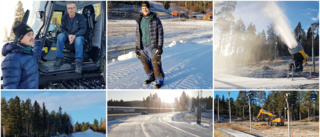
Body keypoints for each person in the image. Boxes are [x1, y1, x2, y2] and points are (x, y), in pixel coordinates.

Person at [1, 23, 42, 89]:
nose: (32, 37)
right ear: (20, 38)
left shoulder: (28, 52)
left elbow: (37, 54)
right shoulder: (12, 58)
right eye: (29, 35)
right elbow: (10, 88)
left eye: (32, 35)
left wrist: (37, 42)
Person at [135, 1, 165, 89]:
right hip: (142, 46)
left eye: (146, 8)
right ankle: (151, 77)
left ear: (149, 8)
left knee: (156, 64)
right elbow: (137, 35)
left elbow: (160, 34)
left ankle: (159, 80)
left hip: (153, 46)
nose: (144, 10)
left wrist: (160, 47)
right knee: (145, 64)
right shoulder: (139, 20)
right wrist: (137, 47)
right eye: (143, 8)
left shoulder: (155, 20)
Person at [54, 2, 87, 73]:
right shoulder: (64, 18)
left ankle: (78, 62)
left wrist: (75, 35)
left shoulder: (80, 17)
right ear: (67, 9)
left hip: (78, 35)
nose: (70, 10)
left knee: (78, 40)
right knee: (60, 36)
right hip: (67, 35)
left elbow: (83, 29)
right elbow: (62, 29)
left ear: (75, 8)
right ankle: (59, 58)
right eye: (69, 8)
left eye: (72, 8)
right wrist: (68, 35)